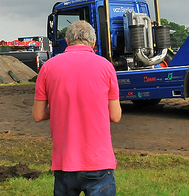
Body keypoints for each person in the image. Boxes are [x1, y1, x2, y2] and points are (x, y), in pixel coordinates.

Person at [33, 20, 122, 196]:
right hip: (99, 163)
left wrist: (61, 107)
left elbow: (38, 115)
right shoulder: (106, 67)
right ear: (93, 43)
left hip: (64, 162)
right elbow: (116, 116)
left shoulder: (48, 67)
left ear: (67, 41)